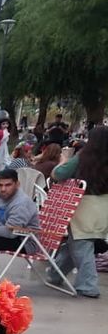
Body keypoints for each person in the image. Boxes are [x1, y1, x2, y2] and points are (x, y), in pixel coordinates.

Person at [49, 125, 108, 298]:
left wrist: (64, 159)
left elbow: (58, 174)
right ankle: (55, 275)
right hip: (103, 209)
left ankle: (88, 286)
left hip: (83, 208)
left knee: (82, 247)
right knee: (76, 244)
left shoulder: (83, 157)